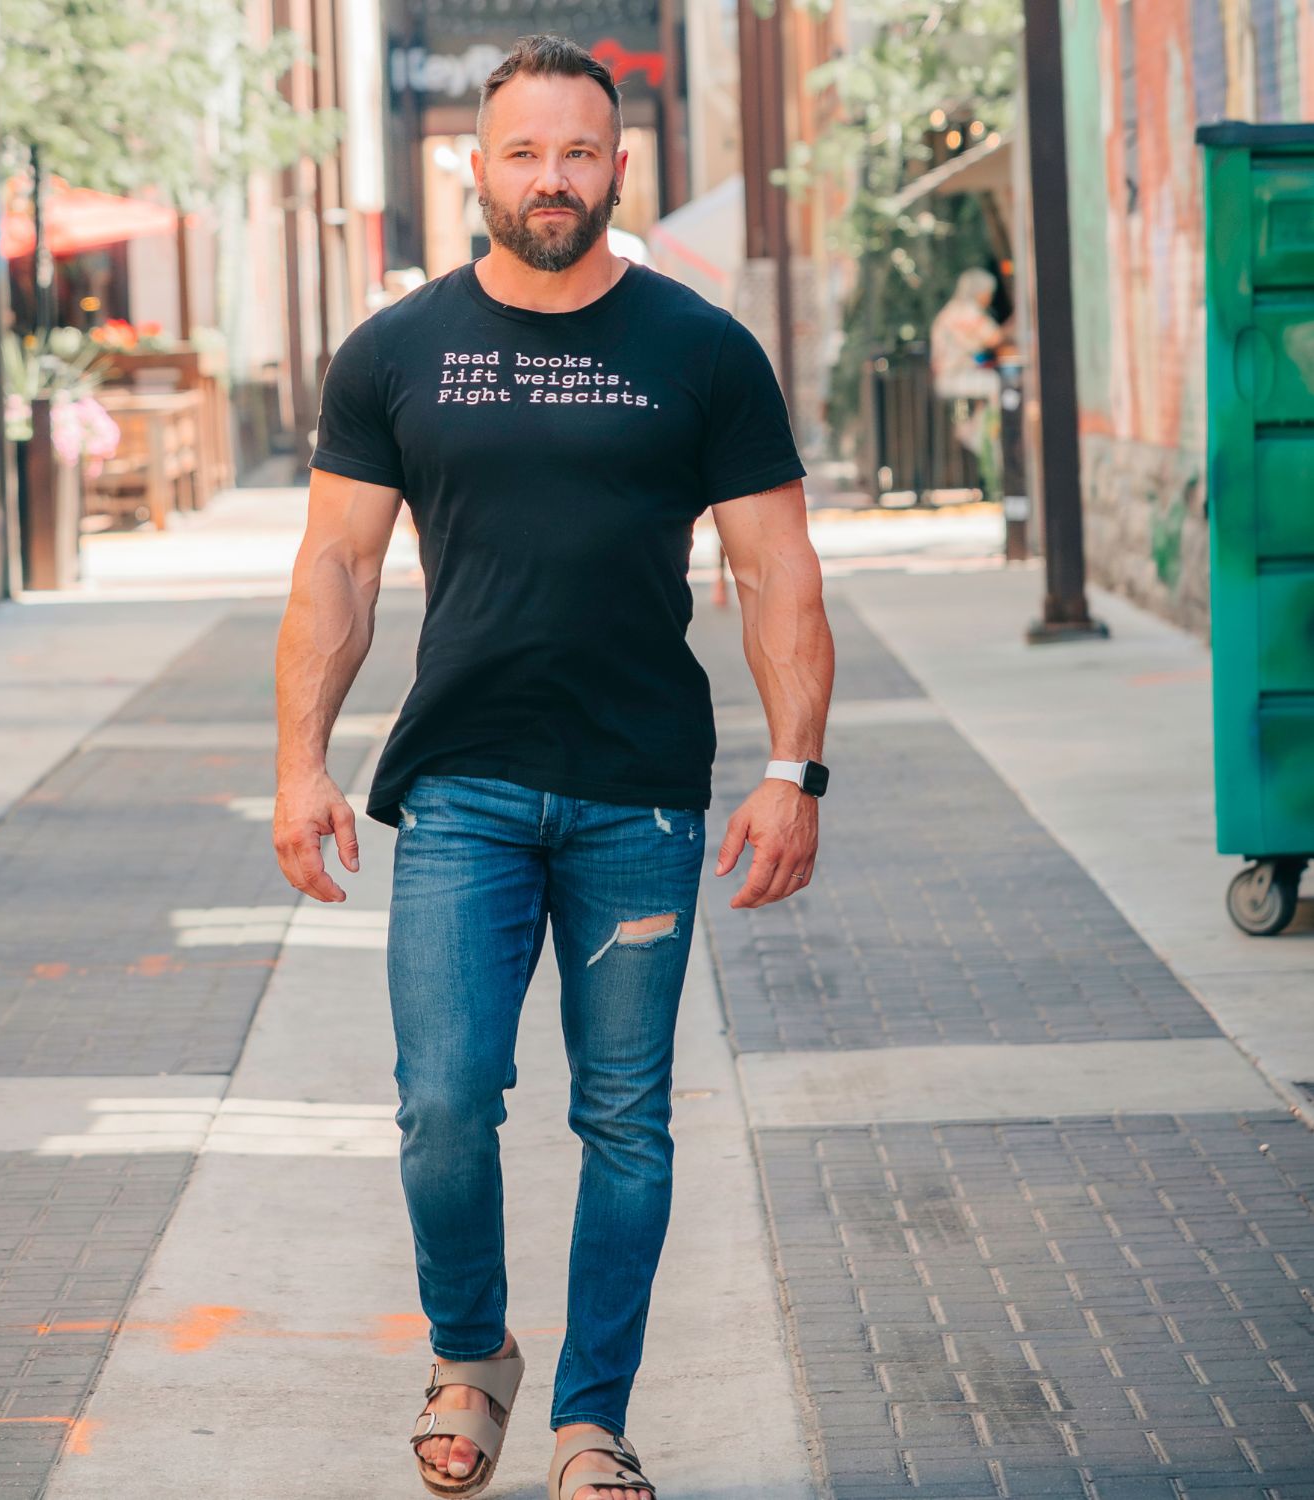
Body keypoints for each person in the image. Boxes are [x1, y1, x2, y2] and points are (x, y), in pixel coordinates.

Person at [273, 33, 834, 1500]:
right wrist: (297, 761)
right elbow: (336, 565)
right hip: (459, 785)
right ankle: (473, 1354)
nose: (551, 177)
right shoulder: (396, 350)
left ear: (620, 166)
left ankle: (593, 1420)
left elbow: (776, 572)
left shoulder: (700, 348)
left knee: (625, 1120)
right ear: (477, 165)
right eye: (523, 150)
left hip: (640, 794)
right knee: (446, 1098)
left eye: (579, 151)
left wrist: (797, 768)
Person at [929, 268, 1007, 490]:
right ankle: (980, 435)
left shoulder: (953, 310)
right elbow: (995, 338)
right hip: (954, 379)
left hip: (953, 377)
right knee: (999, 386)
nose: (989, 297)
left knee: (994, 386)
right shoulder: (965, 312)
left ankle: (979, 430)